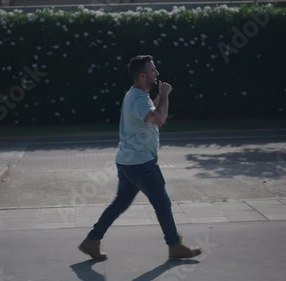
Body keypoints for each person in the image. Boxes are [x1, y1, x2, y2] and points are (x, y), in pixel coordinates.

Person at [78, 55, 202, 260]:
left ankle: (92, 240)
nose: (157, 73)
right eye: (153, 70)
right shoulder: (137, 98)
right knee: (162, 202)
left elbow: (152, 113)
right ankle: (174, 245)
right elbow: (160, 118)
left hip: (129, 162)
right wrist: (165, 94)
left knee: (121, 203)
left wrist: (159, 97)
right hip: (141, 163)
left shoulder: (137, 96)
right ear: (143, 75)